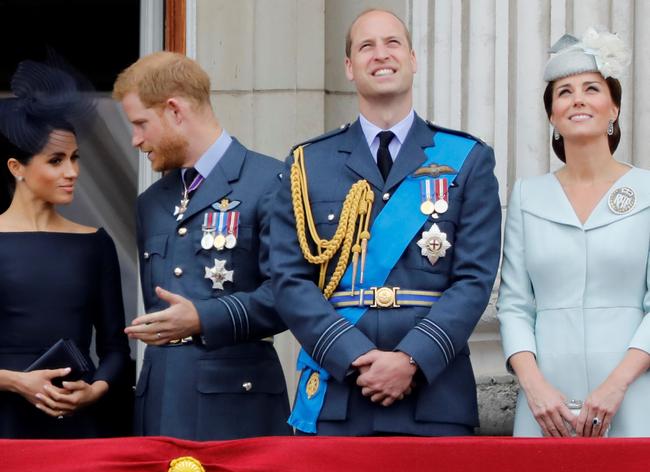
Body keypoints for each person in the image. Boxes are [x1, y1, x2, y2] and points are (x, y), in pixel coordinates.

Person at [271, 9, 501, 436]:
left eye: (392, 43)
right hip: (340, 393)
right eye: (366, 46)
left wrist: (411, 359)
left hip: (435, 395)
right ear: (349, 67)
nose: (381, 55)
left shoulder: (466, 159)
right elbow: (288, 279)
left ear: (412, 58)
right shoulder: (308, 163)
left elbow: (474, 280)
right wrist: (354, 357)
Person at [113, 51, 291, 440]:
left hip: (237, 404)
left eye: (141, 123)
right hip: (159, 400)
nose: (136, 139)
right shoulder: (152, 202)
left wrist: (203, 318)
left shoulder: (271, 180)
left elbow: (289, 296)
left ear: (175, 110)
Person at [498, 27, 650, 437]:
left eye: (591, 88)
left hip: (633, 392)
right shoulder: (528, 196)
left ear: (614, 109)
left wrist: (616, 386)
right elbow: (514, 305)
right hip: (547, 400)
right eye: (564, 92)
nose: (577, 99)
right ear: (552, 116)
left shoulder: (647, 191)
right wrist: (535, 388)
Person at [0, 59, 131, 438]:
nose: (72, 172)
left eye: (75, 158)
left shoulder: (94, 243)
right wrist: (13, 381)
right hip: (5, 422)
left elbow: (115, 349)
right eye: (56, 160)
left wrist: (95, 390)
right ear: (16, 167)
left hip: (77, 426)